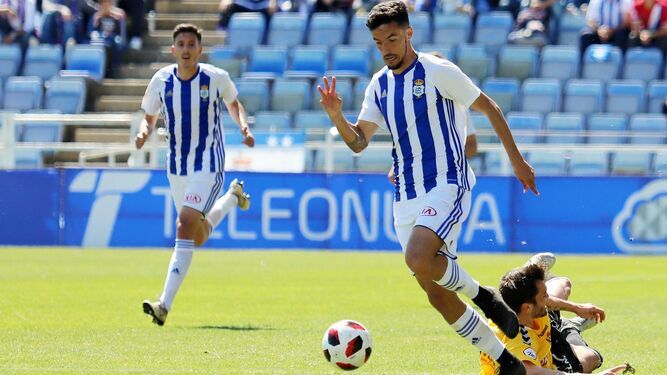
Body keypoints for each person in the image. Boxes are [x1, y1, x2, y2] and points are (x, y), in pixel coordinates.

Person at [318, 1, 538, 373]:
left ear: (408, 33)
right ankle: (506, 363)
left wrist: (516, 160)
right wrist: (337, 115)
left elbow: (490, 108)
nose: (386, 47)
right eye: (378, 42)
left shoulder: (436, 70)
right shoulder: (379, 85)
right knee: (434, 291)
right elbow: (359, 142)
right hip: (406, 193)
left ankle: (484, 296)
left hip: (447, 183)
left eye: (391, 38)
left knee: (419, 259)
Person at [136, 23, 254, 326]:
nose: (186, 49)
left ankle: (164, 305)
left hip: (208, 162)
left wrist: (243, 126)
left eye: (192, 44)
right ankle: (231, 199)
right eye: (181, 44)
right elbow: (148, 116)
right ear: (173, 49)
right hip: (177, 166)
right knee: (196, 234)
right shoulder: (161, 81)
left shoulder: (215, 78)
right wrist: (143, 132)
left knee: (185, 222)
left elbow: (234, 103)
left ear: (200, 49)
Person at [480, 257, 631, 374]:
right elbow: (534, 373)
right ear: (527, 307)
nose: (547, 298)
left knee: (563, 284)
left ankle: (526, 274)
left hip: (539, 330)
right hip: (545, 364)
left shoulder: (524, 308)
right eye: (544, 295)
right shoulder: (515, 338)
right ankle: (570, 329)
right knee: (592, 359)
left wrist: (578, 308)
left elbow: (547, 301)